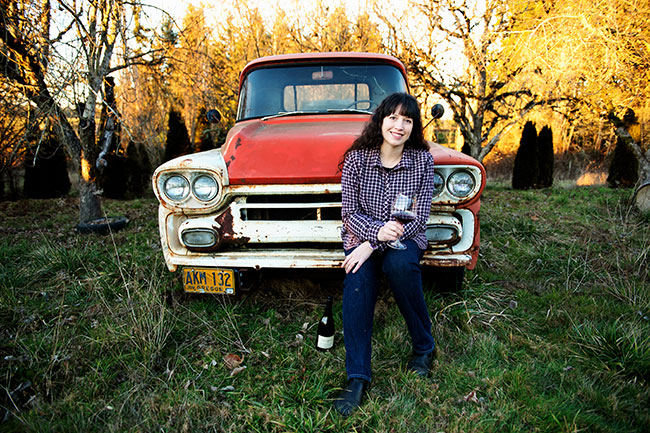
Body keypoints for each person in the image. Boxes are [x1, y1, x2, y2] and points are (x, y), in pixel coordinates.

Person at [333, 93, 436, 416]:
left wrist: (374, 244)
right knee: (358, 281)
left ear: (413, 126)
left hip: (404, 238)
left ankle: (424, 347)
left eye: (408, 120)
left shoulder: (422, 160)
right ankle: (358, 376)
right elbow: (349, 214)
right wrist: (373, 236)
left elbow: (418, 218)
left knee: (400, 267)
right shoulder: (357, 159)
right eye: (393, 117)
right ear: (381, 119)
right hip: (360, 235)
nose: (399, 125)